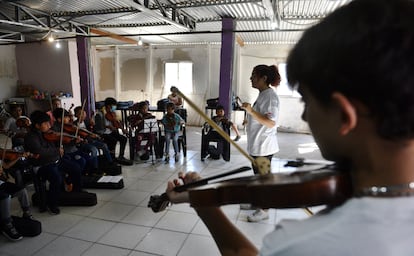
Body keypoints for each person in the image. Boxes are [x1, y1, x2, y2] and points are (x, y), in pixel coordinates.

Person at [165, 0, 414, 255]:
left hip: (264, 144)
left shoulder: (303, 245)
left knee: (262, 175)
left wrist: (205, 206)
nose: (305, 116)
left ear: (343, 115)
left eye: (306, 101)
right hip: (256, 141)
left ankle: (261, 207)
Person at [239, 64, 280, 222]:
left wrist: (251, 112)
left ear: (264, 78)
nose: (251, 78)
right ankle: (257, 203)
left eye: (254, 75)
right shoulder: (263, 94)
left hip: (264, 147)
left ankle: (264, 210)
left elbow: (271, 123)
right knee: (258, 178)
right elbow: (260, 116)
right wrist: (249, 118)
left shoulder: (270, 96)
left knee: (263, 180)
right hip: (257, 146)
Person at [24, 110, 63, 215]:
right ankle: (52, 204)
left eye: (49, 122)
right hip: (41, 166)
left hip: (54, 161)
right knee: (56, 177)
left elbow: (55, 147)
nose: (49, 125)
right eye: (46, 123)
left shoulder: (47, 133)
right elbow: (40, 151)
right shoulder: (31, 137)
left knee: (75, 166)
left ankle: (71, 193)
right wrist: (56, 151)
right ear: (37, 125)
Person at [0, 153, 34, 241]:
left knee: (22, 190)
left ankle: (26, 213)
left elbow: (6, 166)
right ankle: (7, 224)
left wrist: (18, 157)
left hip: (1, 184)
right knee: (5, 196)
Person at [101, 97, 129, 163]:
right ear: (108, 106)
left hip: (111, 131)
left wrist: (122, 129)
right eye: (113, 105)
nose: (115, 107)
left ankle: (121, 156)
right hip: (105, 133)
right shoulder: (102, 113)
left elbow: (116, 123)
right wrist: (109, 126)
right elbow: (101, 125)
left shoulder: (112, 113)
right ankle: (111, 157)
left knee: (123, 139)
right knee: (113, 140)